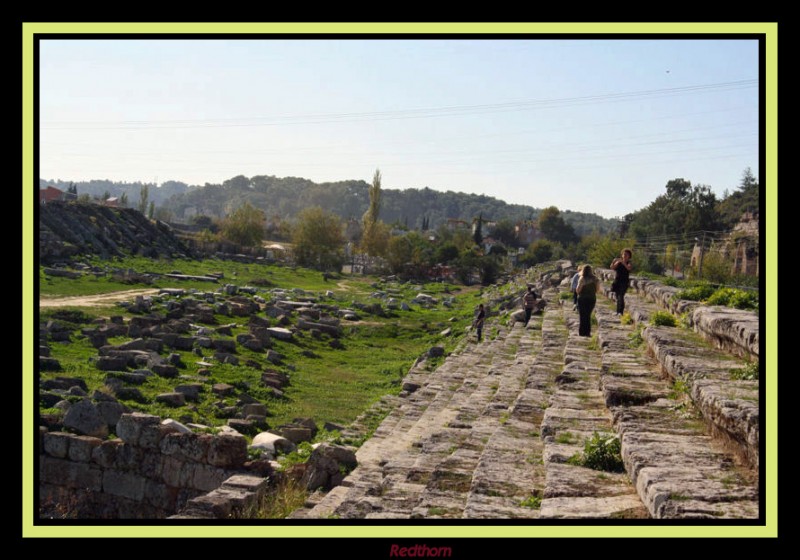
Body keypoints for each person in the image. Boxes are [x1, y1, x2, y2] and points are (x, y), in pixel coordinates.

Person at [576, 264, 600, 337]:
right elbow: (597, 290)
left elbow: (578, 290)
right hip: (592, 299)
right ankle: (587, 332)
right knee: (588, 315)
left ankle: (582, 332)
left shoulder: (582, 278)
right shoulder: (595, 279)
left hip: (582, 298)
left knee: (582, 315)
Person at [610, 248, 633, 316]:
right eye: (624, 254)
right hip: (617, 280)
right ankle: (617, 311)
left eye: (626, 254)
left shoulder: (629, 263)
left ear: (629, 256)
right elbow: (612, 267)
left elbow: (629, 268)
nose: (624, 256)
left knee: (621, 296)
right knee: (617, 296)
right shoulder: (619, 262)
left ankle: (621, 312)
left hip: (624, 282)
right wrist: (614, 261)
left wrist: (623, 263)